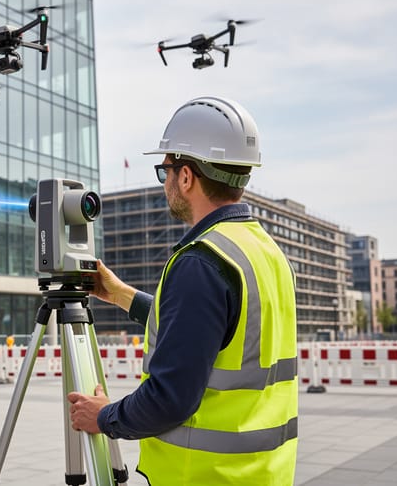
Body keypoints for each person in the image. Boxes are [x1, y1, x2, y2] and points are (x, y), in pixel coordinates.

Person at [67, 96, 298, 485]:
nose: (166, 182)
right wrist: (122, 294)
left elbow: (169, 400)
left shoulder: (200, 261)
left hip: (205, 476)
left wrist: (104, 416)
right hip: (262, 474)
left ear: (187, 176)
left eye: (165, 170)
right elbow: (217, 332)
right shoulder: (265, 251)